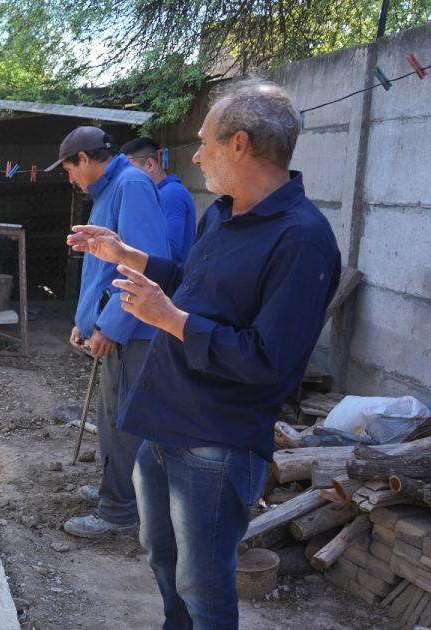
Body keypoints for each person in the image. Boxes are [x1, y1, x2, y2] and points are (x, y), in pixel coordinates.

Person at [67, 79, 341, 627]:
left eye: (204, 142)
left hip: (215, 442)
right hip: (165, 422)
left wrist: (168, 318)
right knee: (163, 561)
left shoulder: (302, 238)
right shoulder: (223, 214)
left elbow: (268, 361)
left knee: (204, 583)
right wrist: (132, 257)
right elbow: (191, 285)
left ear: (239, 144)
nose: (195, 156)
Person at [44, 126, 171, 538]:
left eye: (69, 170)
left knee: (124, 423)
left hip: (133, 333)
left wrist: (113, 327)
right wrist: (87, 321)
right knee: (110, 417)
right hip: (117, 328)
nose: (70, 180)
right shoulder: (110, 191)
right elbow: (102, 270)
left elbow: (143, 266)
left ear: (84, 159)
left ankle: (119, 511)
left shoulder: (130, 185)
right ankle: (112, 489)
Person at [121, 137, 197, 265]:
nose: (125, 176)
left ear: (149, 165)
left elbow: (169, 249)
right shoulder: (158, 193)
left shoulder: (171, 194)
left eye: (130, 169)